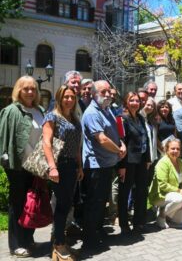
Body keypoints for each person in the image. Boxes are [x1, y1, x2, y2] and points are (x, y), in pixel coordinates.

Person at [0, 76, 44, 257]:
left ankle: (28, 239)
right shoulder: (11, 110)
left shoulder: (39, 109)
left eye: (33, 88)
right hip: (17, 166)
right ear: (19, 90)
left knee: (32, 203)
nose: (30, 92)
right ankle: (15, 244)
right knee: (18, 204)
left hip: (36, 165)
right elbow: (3, 137)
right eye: (26, 89)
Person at [81, 80, 126, 249]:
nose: (107, 95)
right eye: (103, 92)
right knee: (94, 203)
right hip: (96, 166)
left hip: (107, 163)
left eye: (109, 91)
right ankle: (90, 240)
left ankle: (97, 232)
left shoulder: (107, 110)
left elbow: (115, 133)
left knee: (100, 203)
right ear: (93, 93)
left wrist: (122, 144)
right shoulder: (92, 113)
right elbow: (101, 139)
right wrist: (118, 151)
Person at [42, 85, 83, 259]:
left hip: (71, 166)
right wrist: (52, 167)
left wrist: (79, 166)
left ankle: (60, 241)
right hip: (59, 166)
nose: (69, 100)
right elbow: (46, 143)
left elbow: (76, 146)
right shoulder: (52, 117)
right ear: (59, 98)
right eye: (66, 97)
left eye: (72, 97)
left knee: (66, 206)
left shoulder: (74, 118)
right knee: (61, 206)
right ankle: (58, 245)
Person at [117, 92, 150, 234]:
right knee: (124, 193)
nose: (135, 103)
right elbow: (121, 143)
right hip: (128, 162)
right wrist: (122, 166)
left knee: (141, 192)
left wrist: (148, 159)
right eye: (132, 100)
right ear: (126, 102)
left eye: (137, 100)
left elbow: (146, 139)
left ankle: (138, 222)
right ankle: (124, 224)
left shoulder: (141, 118)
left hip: (141, 161)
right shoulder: (121, 119)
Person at [148, 139, 182, 229]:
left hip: (175, 196)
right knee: (179, 199)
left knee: (180, 220)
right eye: (172, 148)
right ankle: (161, 215)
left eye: (178, 149)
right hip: (160, 196)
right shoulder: (163, 163)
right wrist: (180, 192)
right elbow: (163, 184)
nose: (175, 151)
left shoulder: (181, 162)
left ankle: (167, 214)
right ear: (167, 150)